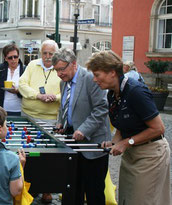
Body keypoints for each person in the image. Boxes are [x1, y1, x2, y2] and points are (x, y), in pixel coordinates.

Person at [86, 50, 171, 205]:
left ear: (112, 72)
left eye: (97, 75)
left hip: (150, 155)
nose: (94, 79)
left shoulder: (136, 91)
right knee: (127, 199)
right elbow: (121, 125)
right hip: (132, 154)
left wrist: (125, 143)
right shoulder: (113, 93)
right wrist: (114, 142)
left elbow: (159, 128)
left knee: (142, 201)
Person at [52, 48, 111, 205]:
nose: (59, 74)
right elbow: (64, 107)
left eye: (61, 69)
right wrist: (61, 122)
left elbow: (102, 109)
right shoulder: (63, 82)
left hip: (93, 144)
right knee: (73, 189)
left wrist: (84, 130)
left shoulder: (91, 79)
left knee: (94, 192)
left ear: (74, 64)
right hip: (72, 142)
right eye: (56, 70)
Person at [18, 39, 60, 203]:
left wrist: (54, 97)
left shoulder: (60, 68)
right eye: (45, 53)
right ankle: (29, 188)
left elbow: (67, 91)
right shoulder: (32, 65)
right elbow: (22, 84)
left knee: (47, 157)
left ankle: (47, 190)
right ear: (40, 53)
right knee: (29, 154)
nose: (48, 57)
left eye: (51, 53)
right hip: (29, 116)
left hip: (49, 119)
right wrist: (38, 95)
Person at [0, 44, 25, 116]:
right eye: (10, 58)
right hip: (1, 110)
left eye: (15, 57)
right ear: (5, 58)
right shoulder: (0, 68)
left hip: (20, 110)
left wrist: (17, 91)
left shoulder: (24, 70)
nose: (13, 60)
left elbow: (28, 92)